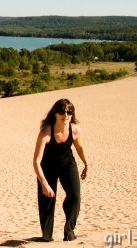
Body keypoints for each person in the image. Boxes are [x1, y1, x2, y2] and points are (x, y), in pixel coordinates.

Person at [33, 98, 88, 242]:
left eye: (69, 111)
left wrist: (86, 164)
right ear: (55, 114)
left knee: (75, 197)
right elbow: (36, 161)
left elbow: (80, 148)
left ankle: (69, 230)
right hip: (47, 167)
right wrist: (44, 184)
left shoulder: (74, 129)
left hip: (67, 164)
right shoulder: (46, 132)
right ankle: (46, 236)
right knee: (47, 200)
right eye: (62, 111)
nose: (66, 114)